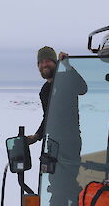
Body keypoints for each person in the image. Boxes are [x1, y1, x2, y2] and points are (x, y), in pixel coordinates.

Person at [27, 46, 87, 206]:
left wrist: (67, 65)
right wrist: (37, 136)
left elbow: (83, 88)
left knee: (62, 185)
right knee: (59, 185)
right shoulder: (44, 91)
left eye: (48, 61)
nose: (44, 64)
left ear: (55, 63)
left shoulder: (67, 80)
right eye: (40, 62)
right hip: (52, 144)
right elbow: (48, 116)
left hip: (69, 143)